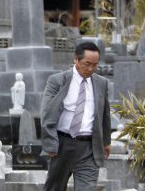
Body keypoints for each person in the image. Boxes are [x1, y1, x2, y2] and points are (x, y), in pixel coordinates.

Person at [41, 41, 111, 191]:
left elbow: (104, 113)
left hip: (89, 148)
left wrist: (106, 141)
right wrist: (50, 142)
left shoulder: (101, 83)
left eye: (95, 65)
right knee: (55, 188)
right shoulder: (57, 81)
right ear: (76, 60)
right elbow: (47, 113)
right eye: (87, 64)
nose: (91, 68)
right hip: (61, 145)